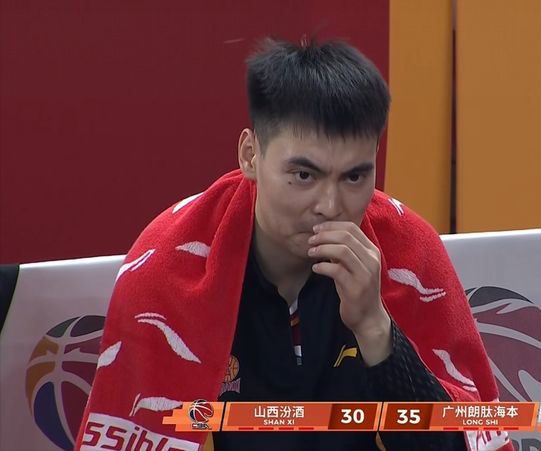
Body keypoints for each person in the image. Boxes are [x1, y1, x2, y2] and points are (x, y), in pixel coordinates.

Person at [76, 38, 513, 451]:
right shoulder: (169, 264)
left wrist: (377, 329)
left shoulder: (409, 254)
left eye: (355, 177)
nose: (330, 206)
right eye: (304, 175)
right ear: (250, 156)